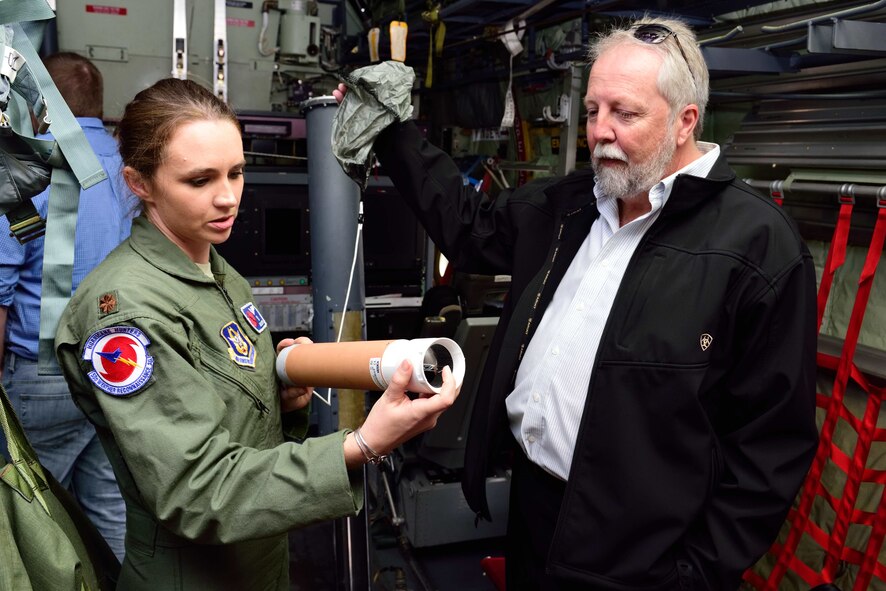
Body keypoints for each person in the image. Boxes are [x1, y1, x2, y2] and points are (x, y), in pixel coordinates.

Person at [334, 15, 819, 591]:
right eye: (592, 111)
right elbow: (469, 227)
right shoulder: (572, 203)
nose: (600, 132)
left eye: (625, 113)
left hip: (646, 555)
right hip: (534, 510)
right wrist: (392, 130)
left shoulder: (758, 246)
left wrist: (695, 574)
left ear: (686, 121)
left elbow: (771, 447)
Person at [53, 77, 458, 590]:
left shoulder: (220, 274)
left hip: (258, 561)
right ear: (139, 183)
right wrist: (359, 445)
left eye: (237, 173)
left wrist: (283, 402)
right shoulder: (127, 314)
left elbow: (238, 422)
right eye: (199, 181)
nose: (227, 198)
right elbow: (196, 490)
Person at [0, 51, 134, 560]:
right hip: (119, 367)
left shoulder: (26, 173)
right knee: (109, 512)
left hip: (43, 373)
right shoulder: (132, 176)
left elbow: (0, 290)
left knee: (32, 521)